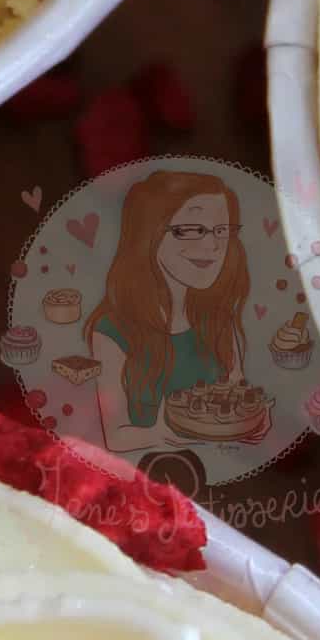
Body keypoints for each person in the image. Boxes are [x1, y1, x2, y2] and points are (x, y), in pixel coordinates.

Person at [84, 167, 252, 448]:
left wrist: (251, 425)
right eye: (192, 230)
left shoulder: (219, 319)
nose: (212, 244)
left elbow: (238, 401)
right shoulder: (111, 331)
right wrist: (160, 435)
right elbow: (114, 436)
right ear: (150, 234)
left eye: (221, 230)